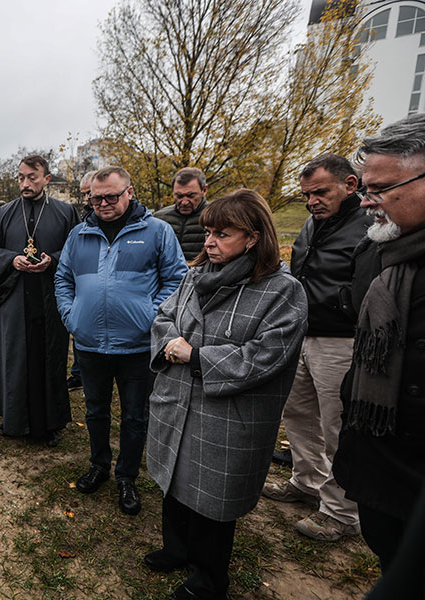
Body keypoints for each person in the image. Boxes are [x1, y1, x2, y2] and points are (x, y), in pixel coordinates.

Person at [145, 189, 308, 600]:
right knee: (175, 482)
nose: (210, 242)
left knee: (211, 498)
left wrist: (197, 357)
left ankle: (209, 578)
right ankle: (176, 548)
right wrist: (168, 342)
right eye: (208, 232)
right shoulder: (194, 275)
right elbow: (165, 315)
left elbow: (268, 354)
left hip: (226, 412)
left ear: (253, 238)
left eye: (222, 234)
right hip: (177, 400)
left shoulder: (281, 290)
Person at [55, 166, 187, 515]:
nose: (102, 204)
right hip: (89, 344)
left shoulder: (157, 231)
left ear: (130, 192)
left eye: (111, 197)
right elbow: (63, 279)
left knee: (134, 416)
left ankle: (126, 476)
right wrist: (72, 317)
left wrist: (151, 316)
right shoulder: (79, 234)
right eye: (95, 198)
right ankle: (99, 464)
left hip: (137, 345)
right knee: (95, 410)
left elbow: (176, 279)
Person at [333, 114, 425, 573]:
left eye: (380, 189)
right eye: (365, 189)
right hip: (382, 470)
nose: (366, 203)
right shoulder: (382, 250)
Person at [261, 154, 369, 541]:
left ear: (351, 185)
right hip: (301, 335)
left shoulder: (369, 225)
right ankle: (307, 482)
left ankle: (342, 512)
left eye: (321, 192)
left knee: (336, 425)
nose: (312, 201)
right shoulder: (311, 223)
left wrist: (344, 311)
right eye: (307, 194)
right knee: (298, 413)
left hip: (341, 340)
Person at [0, 154, 80, 446]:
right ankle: (14, 420)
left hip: (50, 299)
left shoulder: (65, 212)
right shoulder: (4, 214)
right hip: (14, 298)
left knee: (50, 359)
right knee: (15, 359)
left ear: (47, 178)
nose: (25, 183)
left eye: (32, 177)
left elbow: (79, 250)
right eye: (21, 177)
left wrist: (53, 259)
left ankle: (51, 424)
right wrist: (12, 260)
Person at [66, 171, 97, 392]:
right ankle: (79, 372)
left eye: (90, 193)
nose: (86, 199)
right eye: (84, 194)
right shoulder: (83, 218)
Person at [154, 167, 210, 261]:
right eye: (179, 196)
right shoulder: (159, 218)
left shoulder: (217, 217)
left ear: (204, 190)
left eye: (191, 196)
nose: (184, 202)